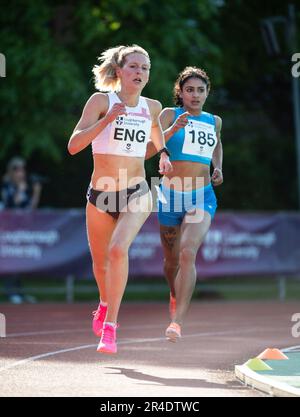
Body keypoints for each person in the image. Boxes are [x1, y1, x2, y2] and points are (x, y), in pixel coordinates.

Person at [68, 44, 172, 354]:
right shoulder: (102, 101)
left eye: (145, 68)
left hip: (137, 191)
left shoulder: (152, 107)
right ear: (119, 72)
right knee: (100, 266)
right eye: (134, 67)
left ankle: (110, 328)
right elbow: (74, 145)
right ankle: (103, 303)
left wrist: (164, 153)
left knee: (117, 250)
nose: (140, 72)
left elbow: (155, 130)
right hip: (100, 195)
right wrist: (107, 119)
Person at [146, 66, 223, 342]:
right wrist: (171, 130)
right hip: (168, 196)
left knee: (188, 253)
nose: (195, 95)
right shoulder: (169, 114)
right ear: (180, 92)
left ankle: (176, 322)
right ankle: (174, 292)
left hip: (201, 196)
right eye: (189, 89)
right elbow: (148, 149)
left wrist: (218, 167)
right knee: (170, 262)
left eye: (200, 90)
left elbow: (217, 145)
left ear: (207, 93)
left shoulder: (214, 121)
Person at [1, 156, 43, 303]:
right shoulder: (6, 186)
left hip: (21, 230)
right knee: (10, 260)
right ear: (12, 171)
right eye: (18, 170)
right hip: (7, 230)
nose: (21, 173)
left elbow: (29, 208)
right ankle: (11, 292)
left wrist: (36, 192)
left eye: (23, 169)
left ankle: (20, 292)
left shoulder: (24, 187)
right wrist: (19, 189)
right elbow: (11, 205)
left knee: (19, 260)